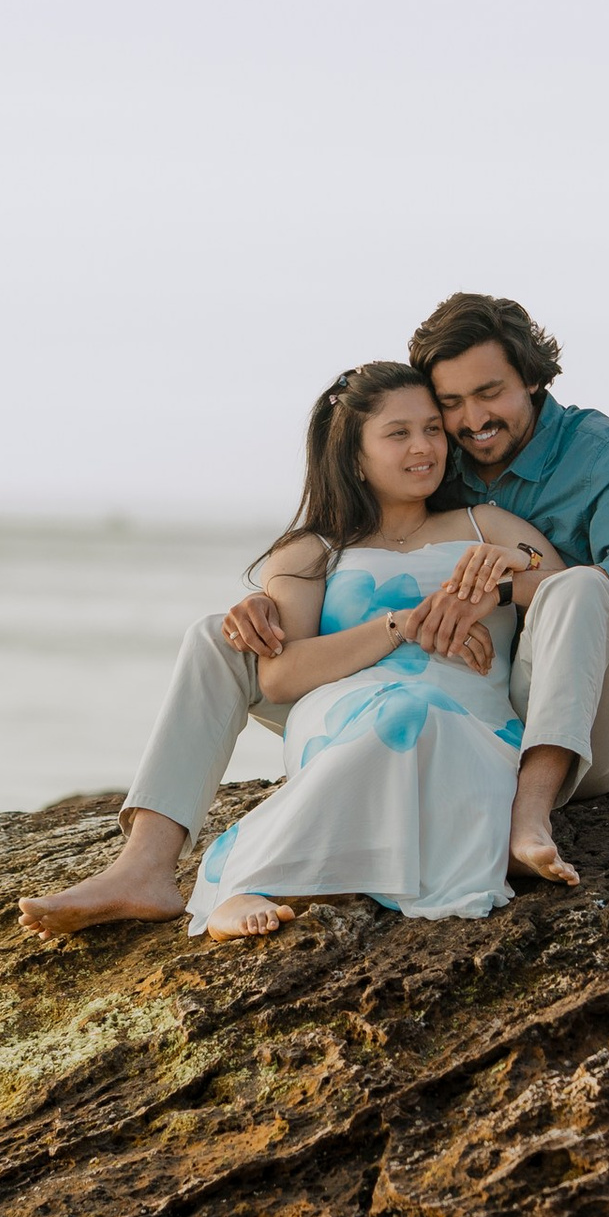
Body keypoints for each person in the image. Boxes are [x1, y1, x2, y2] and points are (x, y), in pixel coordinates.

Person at [17, 292, 609, 935]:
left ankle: (525, 819)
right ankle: (144, 866)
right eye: (447, 406)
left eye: (489, 393)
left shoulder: (585, 459)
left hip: (544, 705)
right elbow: (339, 580)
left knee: (575, 591)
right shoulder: (398, 490)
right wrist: (272, 605)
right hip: (381, 687)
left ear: (533, 380)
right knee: (219, 638)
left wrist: (506, 583)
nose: (463, 425)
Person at [179, 361, 558, 938]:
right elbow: (281, 678)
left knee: (419, 710)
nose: (424, 447)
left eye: (433, 429)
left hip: (477, 728)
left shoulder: (487, 526)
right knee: (402, 708)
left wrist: (513, 573)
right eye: (398, 433)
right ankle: (244, 882)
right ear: (355, 456)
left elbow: (572, 596)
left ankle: (320, 867)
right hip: (343, 720)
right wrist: (402, 625)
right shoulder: (313, 551)